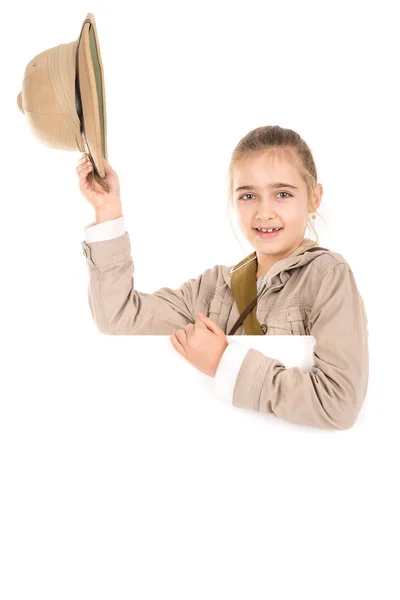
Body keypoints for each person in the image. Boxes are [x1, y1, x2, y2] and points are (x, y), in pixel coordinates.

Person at [78, 125, 369, 430]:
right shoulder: (213, 288)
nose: (264, 212)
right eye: (248, 196)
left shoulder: (327, 276)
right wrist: (107, 211)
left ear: (314, 198)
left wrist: (225, 362)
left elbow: (339, 404)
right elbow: (118, 317)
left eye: (282, 194)